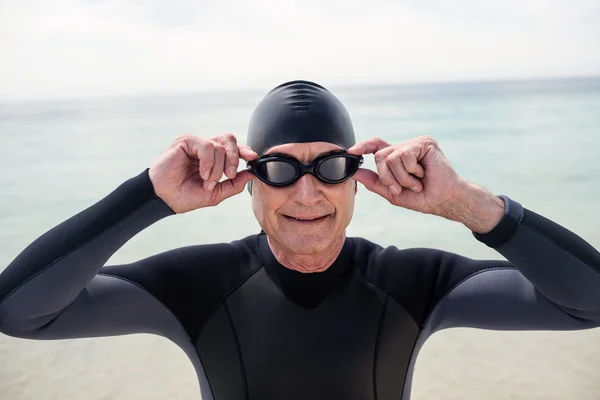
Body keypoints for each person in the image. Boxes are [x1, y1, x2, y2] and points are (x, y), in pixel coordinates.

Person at [0, 80, 599, 400]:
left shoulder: (414, 284)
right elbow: (20, 311)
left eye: (330, 169)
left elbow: (589, 302)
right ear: (249, 183)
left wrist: (467, 203)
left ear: (358, 183)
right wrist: (146, 198)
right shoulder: (196, 286)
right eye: (282, 170)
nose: (308, 195)